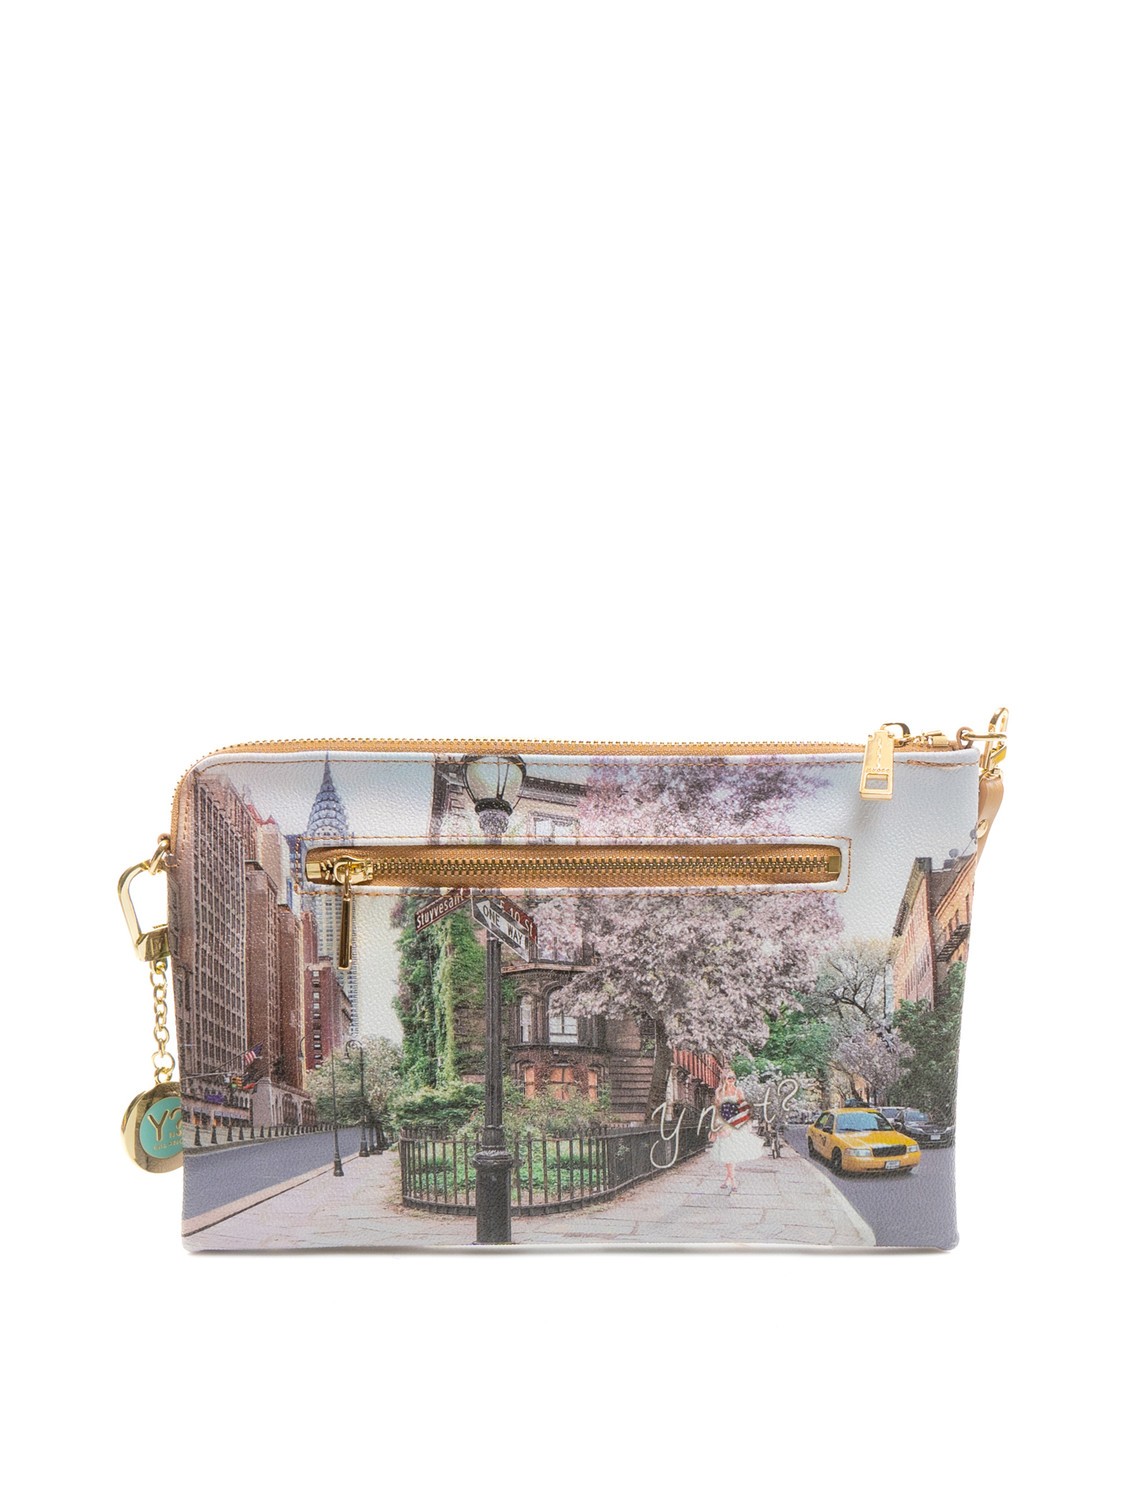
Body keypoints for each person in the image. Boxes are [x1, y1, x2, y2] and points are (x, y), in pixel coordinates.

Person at [711, 1065, 764, 1192]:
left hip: (735, 1123)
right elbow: (716, 1110)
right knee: (725, 1150)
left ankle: (731, 1179)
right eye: (729, 1077)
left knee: (731, 1152)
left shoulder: (738, 1091)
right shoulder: (719, 1091)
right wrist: (714, 1128)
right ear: (724, 1078)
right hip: (722, 1122)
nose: (731, 1080)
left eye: (733, 1078)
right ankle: (729, 1178)